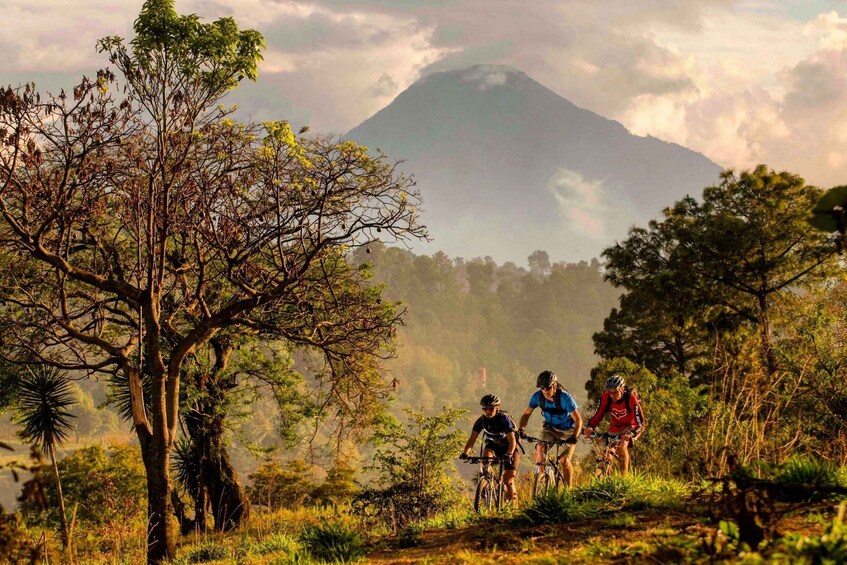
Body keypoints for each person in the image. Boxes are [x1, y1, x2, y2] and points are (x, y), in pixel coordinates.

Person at [517, 370, 582, 488]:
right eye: (542, 388)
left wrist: (574, 437)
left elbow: (578, 420)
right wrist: (521, 429)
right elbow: (526, 414)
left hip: (568, 431)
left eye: (548, 387)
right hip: (550, 429)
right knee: (540, 448)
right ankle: (541, 482)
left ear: (555, 385)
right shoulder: (537, 397)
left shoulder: (565, 398)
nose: (545, 391)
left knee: (564, 461)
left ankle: (569, 490)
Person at [460, 394, 521, 503]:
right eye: (485, 408)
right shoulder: (481, 421)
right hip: (492, 446)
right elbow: (472, 439)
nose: (488, 411)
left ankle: (513, 507)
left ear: (497, 408)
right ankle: (488, 482)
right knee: (484, 461)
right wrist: (465, 453)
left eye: (491, 408)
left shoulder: (503, 419)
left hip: (509, 447)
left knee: (508, 480)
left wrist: (510, 453)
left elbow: (512, 440)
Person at [584, 374, 646, 474]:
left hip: (630, 427)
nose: (612, 395)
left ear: (622, 389)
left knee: (622, 446)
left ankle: (624, 478)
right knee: (606, 456)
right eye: (610, 392)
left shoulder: (631, 399)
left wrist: (631, 435)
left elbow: (641, 423)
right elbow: (597, 415)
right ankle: (609, 480)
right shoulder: (606, 397)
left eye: (615, 392)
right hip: (615, 427)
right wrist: (590, 426)